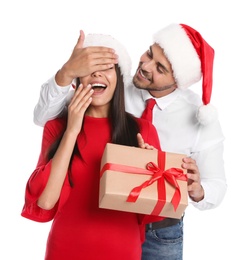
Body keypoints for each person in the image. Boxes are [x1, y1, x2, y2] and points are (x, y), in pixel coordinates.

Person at [31, 24, 227, 260]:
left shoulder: (196, 118)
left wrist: (196, 189)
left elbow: (216, 183)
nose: (144, 66)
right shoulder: (112, 85)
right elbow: (45, 116)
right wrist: (67, 72)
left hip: (160, 229)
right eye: (149, 54)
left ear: (176, 81)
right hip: (82, 236)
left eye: (160, 68)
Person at [21, 33, 164, 260]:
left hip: (122, 251)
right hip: (65, 250)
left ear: (118, 77)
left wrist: (149, 175)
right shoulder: (56, 128)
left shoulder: (142, 130)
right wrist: (72, 130)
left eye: (106, 67)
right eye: (89, 68)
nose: (97, 73)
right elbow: (46, 202)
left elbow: (152, 213)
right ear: (77, 80)